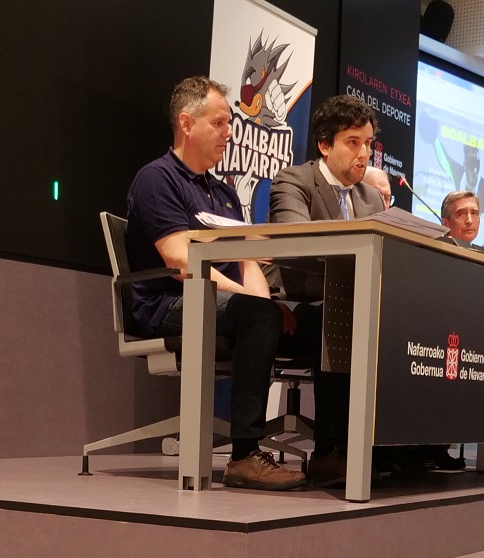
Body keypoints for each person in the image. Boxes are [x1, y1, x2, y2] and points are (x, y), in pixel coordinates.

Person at [125, 76, 306, 491]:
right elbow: (180, 260)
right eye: (221, 123)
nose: (230, 133)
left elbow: (246, 261)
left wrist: (267, 305)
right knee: (259, 315)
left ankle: (338, 451)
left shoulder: (224, 192)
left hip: (222, 300)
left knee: (310, 325)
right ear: (187, 124)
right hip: (168, 303)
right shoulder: (157, 179)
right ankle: (244, 457)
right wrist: (252, 304)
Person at [267, 95, 390, 486]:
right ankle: (328, 452)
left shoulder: (369, 197)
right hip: (294, 303)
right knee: (340, 317)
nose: (364, 153)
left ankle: (391, 448)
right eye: (353, 142)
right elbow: (297, 248)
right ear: (325, 144)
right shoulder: (294, 181)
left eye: (368, 143)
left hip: (347, 303)